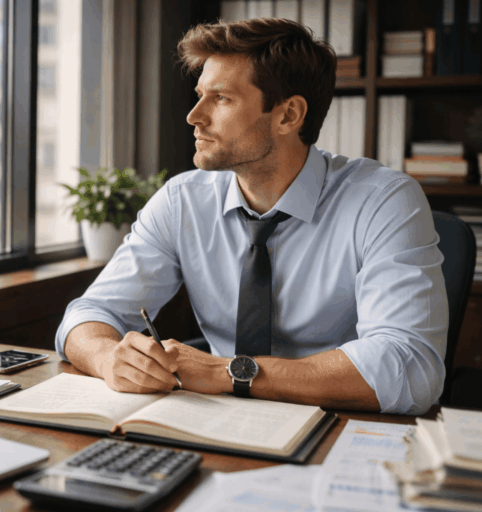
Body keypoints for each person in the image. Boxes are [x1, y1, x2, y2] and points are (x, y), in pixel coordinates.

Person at [54, 18, 448, 415]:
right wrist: (109, 359)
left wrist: (230, 373)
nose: (194, 116)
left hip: (338, 423)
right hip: (217, 421)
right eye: (199, 95)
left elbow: (410, 366)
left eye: (221, 98)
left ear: (288, 116)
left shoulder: (383, 201)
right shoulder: (181, 201)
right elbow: (89, 315)